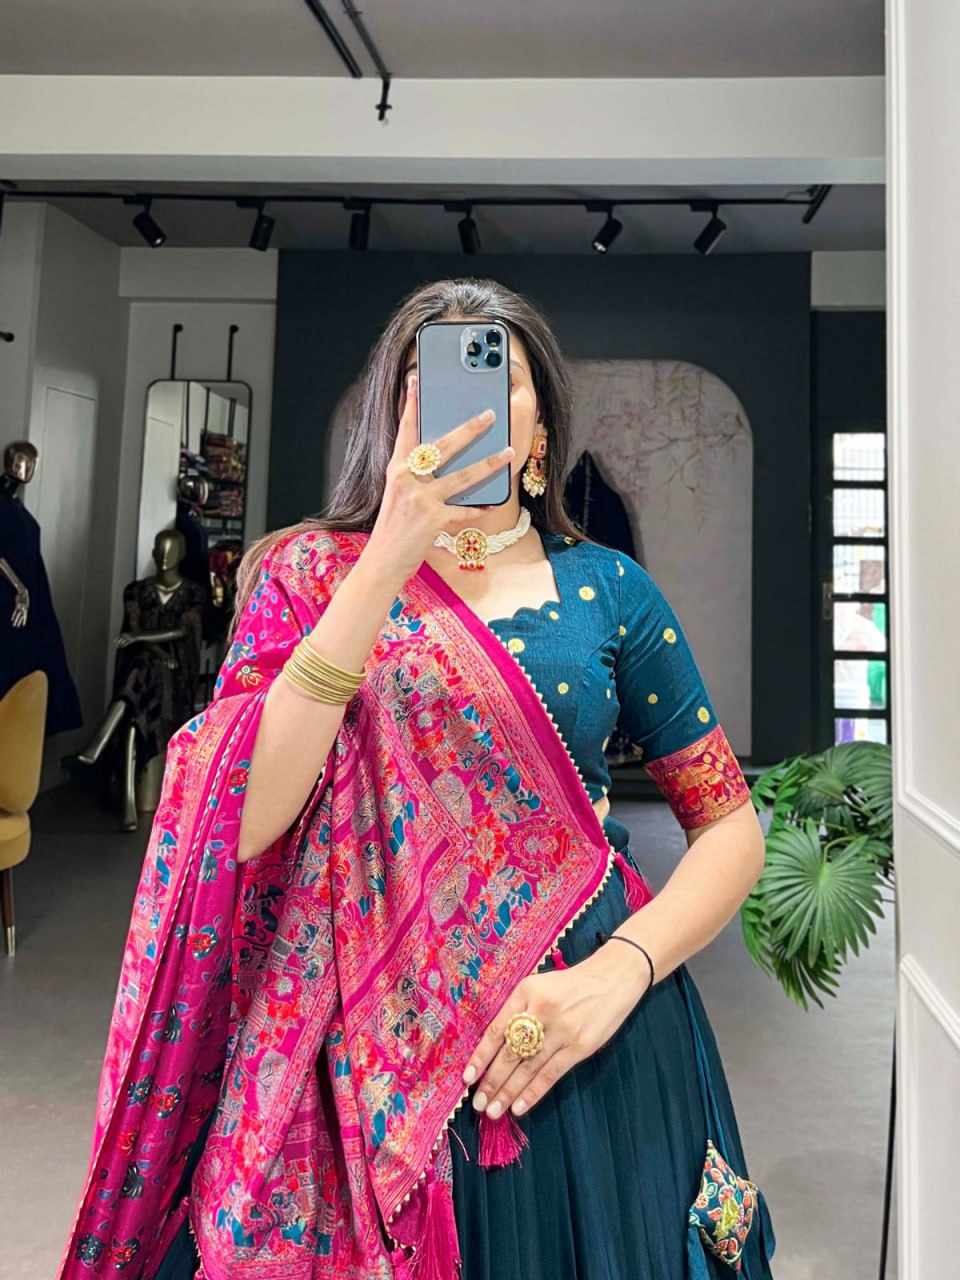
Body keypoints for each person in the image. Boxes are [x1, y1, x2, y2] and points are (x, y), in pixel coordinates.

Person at [57, 278, 776, 1280]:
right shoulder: (307, 575)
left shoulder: (610, 589)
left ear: (541, 429)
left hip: (581, 1019)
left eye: (501, 377)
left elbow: (730, 824)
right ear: (387, 418)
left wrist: (618, 974)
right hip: (355, 1041)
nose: (466, 402)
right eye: (426, 381)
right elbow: (246, 818)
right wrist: (386, 559)